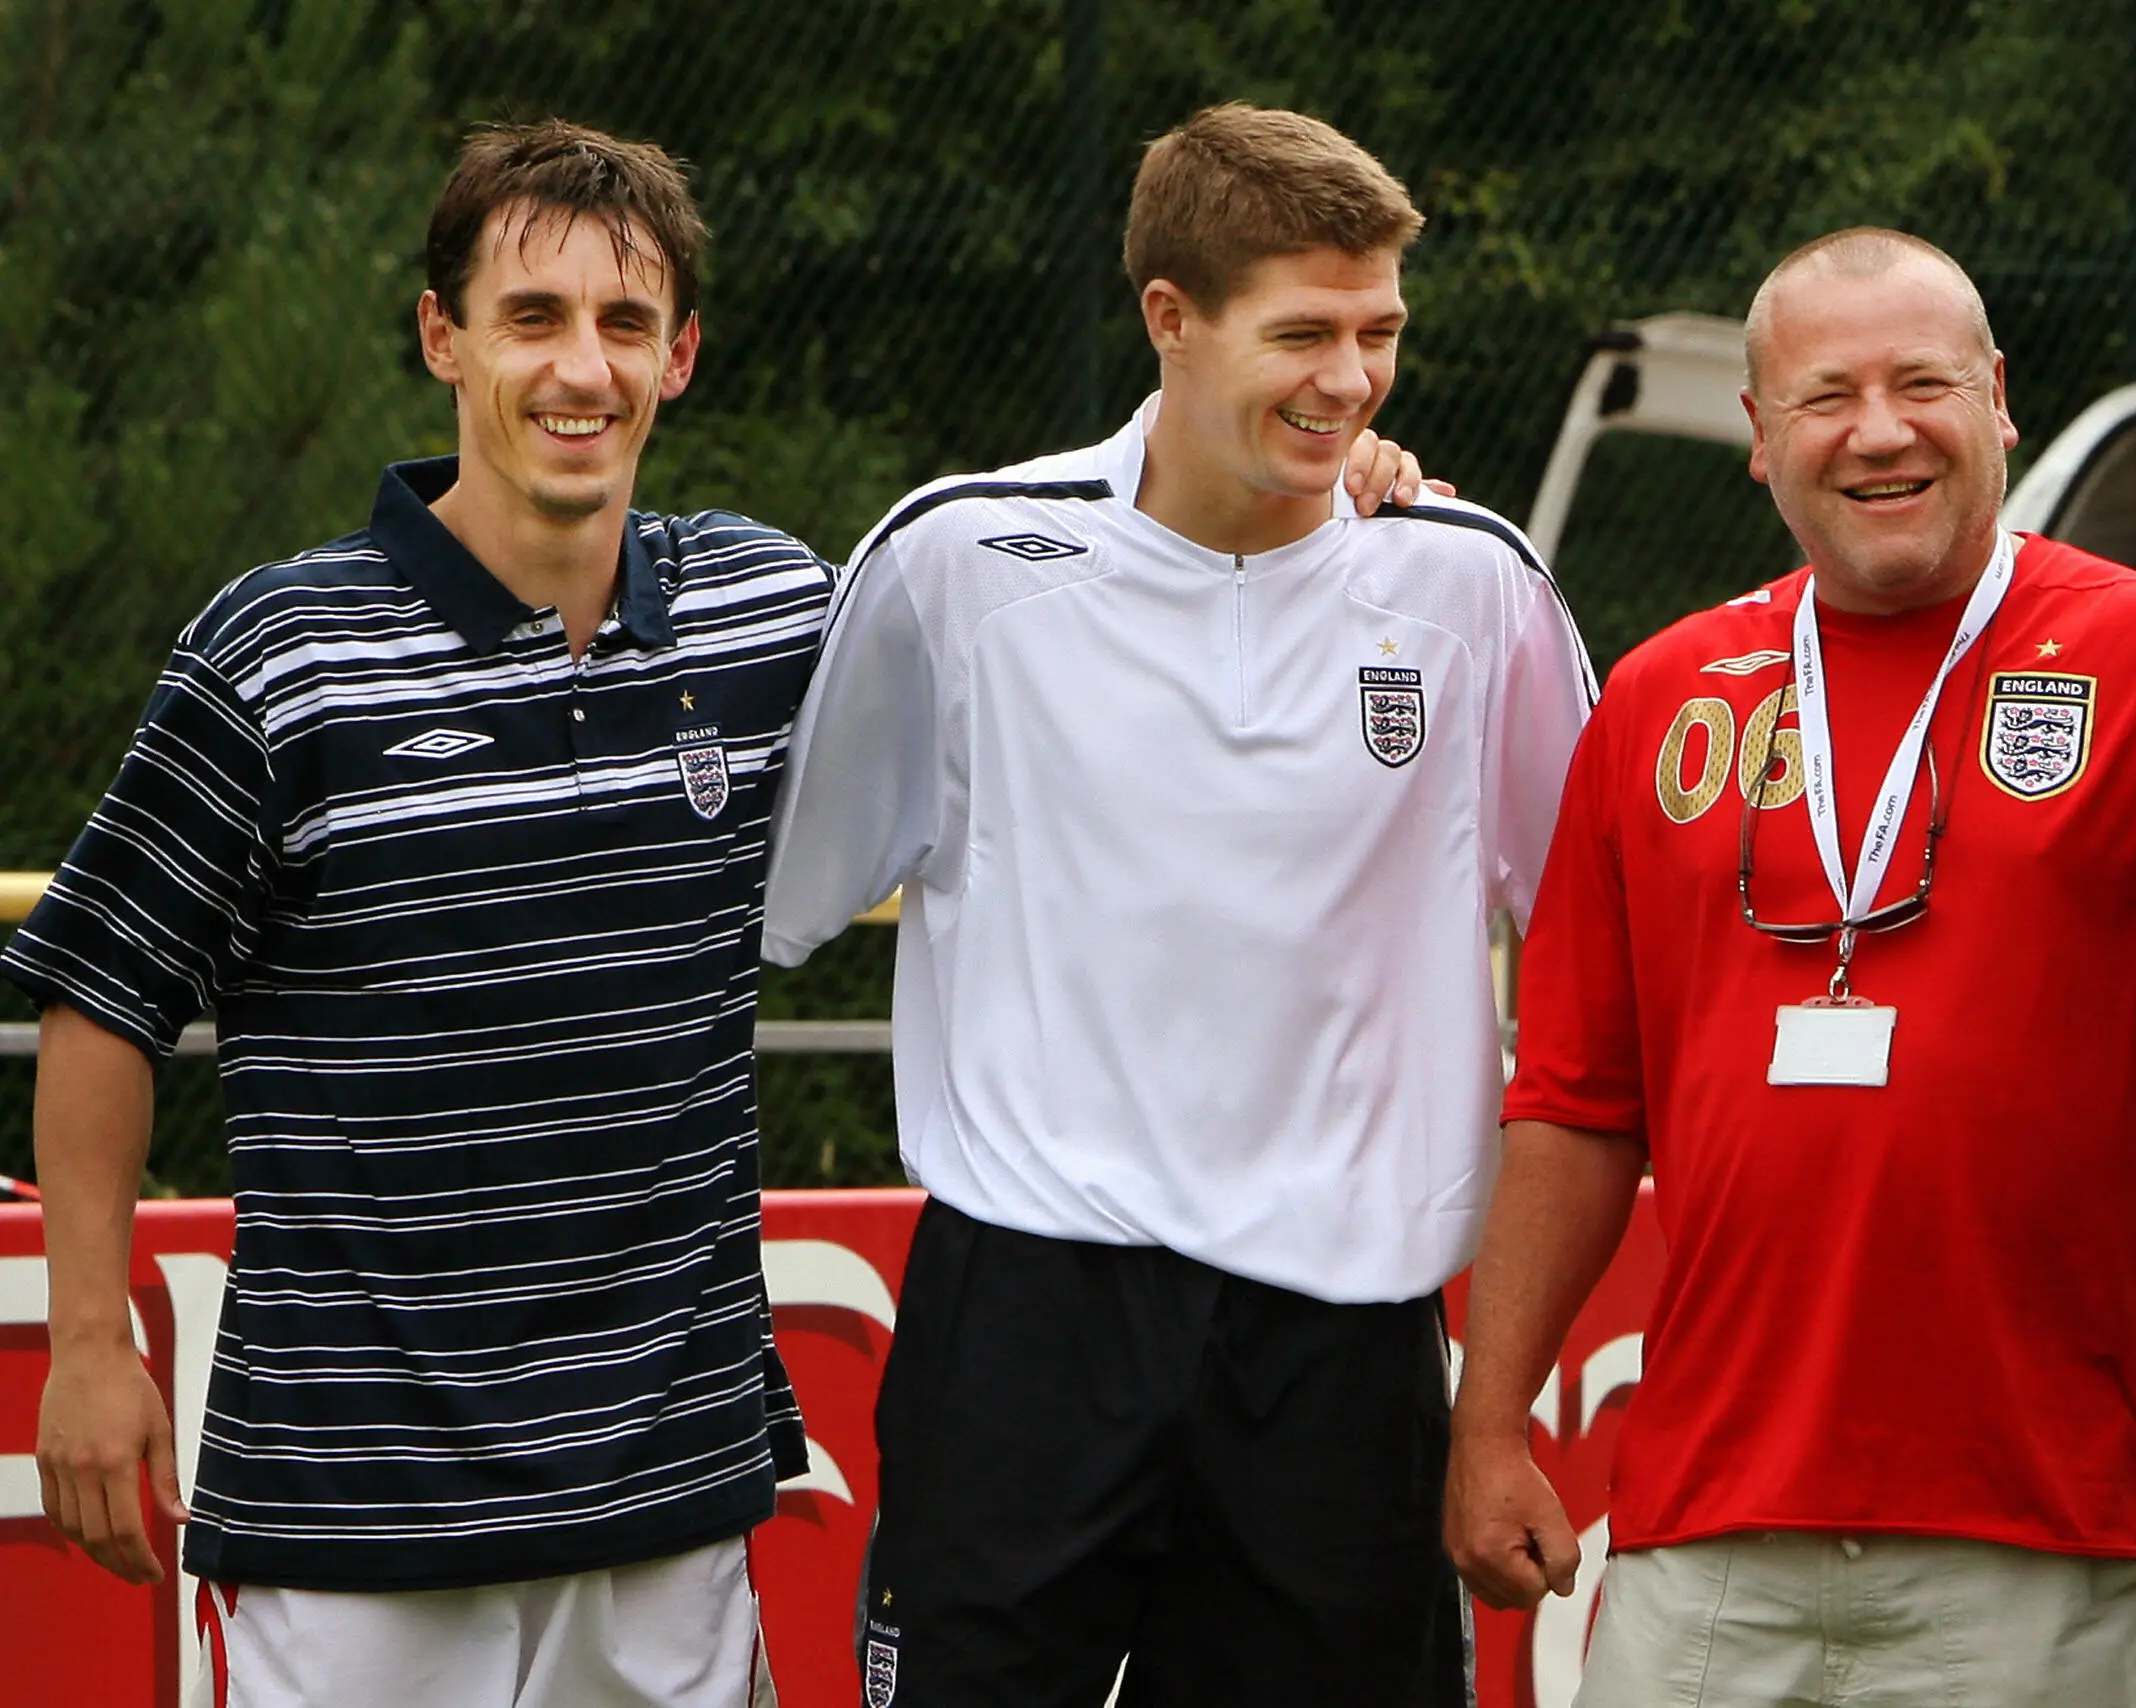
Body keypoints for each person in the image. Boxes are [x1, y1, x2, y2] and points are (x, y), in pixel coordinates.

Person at [2, 115, 1444, 1706]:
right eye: (533, 319)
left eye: (626, 325)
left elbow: (1066, 598)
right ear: (443, 339)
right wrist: (87, 1342)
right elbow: (103, 992)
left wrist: (1316, 467)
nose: (582, 370)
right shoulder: (278, 650)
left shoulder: (776, 614)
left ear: (680, 356)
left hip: (670, 1507)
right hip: (359, 1520)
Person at [759, 103, 1592, 1707]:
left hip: (1343, 1343)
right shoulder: (959, 563)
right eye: (1302, 334)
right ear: (1169, 320)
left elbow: (1595, 950)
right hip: (1027, 1309)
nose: (1350, 382)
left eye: (1379, 333)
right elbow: (776, 898)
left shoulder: (1470, 580)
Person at [1443, 227, 2136, 1706]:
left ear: (2001, 397)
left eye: (1922, 383)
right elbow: (1575, 1101)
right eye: (1826, 396)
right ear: (1759, 442)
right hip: (1707, 1526)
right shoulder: (1654, 702)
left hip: (2042, 1524)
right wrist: (1492, 1421)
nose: (1880, 430)